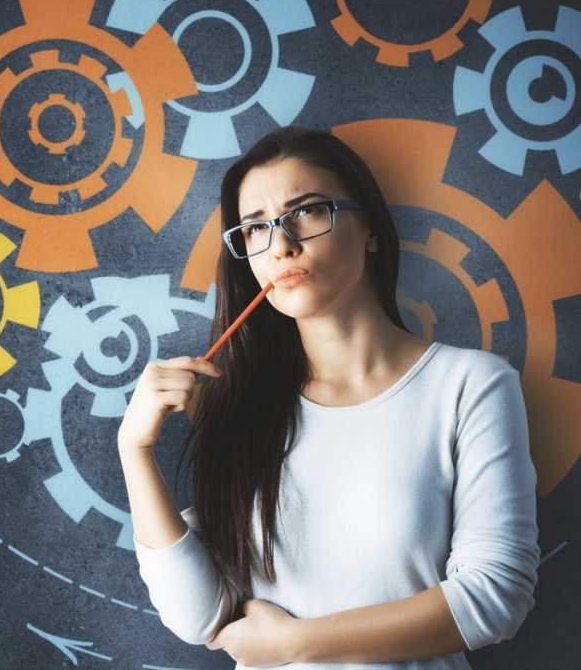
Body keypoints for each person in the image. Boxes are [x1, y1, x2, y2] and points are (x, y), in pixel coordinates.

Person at [117, 126, 540, 668]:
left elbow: (494, 599)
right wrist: (135, 450)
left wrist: (294, 643)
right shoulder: (239, 406)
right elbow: (197, 617)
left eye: (308, 211)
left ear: (369, 229)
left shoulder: (470, 386)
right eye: (256, 229)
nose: (283, 245)